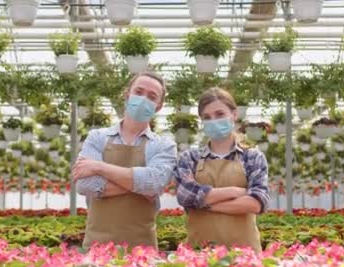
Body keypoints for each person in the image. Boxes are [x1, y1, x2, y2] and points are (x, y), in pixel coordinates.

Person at [72, 72, 177, 249]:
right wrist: (139, 186)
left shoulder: (163, 145)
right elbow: (85, 185)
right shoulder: (97, 137)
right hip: (97, 246)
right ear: (127, 94)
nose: (144, 99)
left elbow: (153, 184)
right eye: (139, 92)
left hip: (142, 248)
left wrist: (99, 167)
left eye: (152, 96)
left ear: (158, 106)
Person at [173, 87, 269, 253]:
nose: (214, 121)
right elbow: (185, 195)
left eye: (219, 114)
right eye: (207, 117)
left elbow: (256, 203)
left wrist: (202, 204)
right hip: (199, 253)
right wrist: (234, 191)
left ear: (234, 114)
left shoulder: (252, 157)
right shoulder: (190, 158)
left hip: (245, 254)